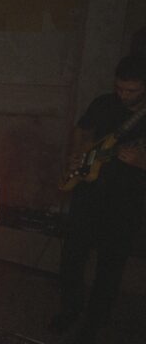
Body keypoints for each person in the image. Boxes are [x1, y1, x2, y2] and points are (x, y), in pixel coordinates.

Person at [51, 55, 146, 343]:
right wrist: (76, 154)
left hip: (125, 204)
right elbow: (82, 130)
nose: (123, 95)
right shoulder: (104, 103)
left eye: (131, 90)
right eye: (119, 88)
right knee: (72, 257)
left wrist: (141, 161)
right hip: (88, 194)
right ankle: (70, 309)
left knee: (110, 267)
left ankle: (94, 321)